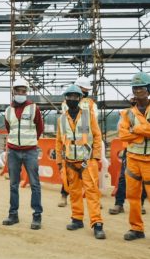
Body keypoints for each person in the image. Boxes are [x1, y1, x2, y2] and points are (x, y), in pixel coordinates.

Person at [55, 84, 106, 239]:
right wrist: (59, 161)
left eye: (75, 97)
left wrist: (96, 157)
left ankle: (97, 223)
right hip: (70, 162)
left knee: (92, 193)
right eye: (69, 97)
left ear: (80, 98)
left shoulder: (88, 116)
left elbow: (97, 136)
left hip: (87, 161)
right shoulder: (61, 119)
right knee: (74, 192)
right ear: (66, 99)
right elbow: (58, 141)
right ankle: (77, 219)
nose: (72, 99)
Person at [2, 78, 43, 230]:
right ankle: (13, 215)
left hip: (30, 151)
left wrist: (30, 142)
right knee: (13, 184)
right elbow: (9, 128)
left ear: (27, 92)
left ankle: (37, 216)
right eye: (18, 90)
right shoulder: (8, 110)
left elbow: (39, 128)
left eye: (23, 91)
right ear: (13, 92)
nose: (21, 93)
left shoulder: (34, 108)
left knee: (35, 184)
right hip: (13, 151)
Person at [118, 72, 150, 241]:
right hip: (133, 159)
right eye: (136, 88)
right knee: (133, 197)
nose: (138, 91)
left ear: (148, 89)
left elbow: (130, 132)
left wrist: (136, 130)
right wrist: (145, 132)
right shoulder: (127, 114)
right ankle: (136, 228)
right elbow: (123, 135)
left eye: (142, 88)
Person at [58, 76, 98, 207]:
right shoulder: (66, 103)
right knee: (69, 178)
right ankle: (64, 195)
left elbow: (94, 124)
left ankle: (95, 201)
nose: (86, 91)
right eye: (84, 88)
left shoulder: (91, 103)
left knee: (90, 180)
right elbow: (65, 120)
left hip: (86, 146)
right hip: (70, 146)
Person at [109, 94, 147, 216]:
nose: (134, 100)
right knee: (123, 178)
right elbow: (122, 133)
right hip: (130, 151)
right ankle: (119, 204)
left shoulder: (146, 112)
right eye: (132, 98)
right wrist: (142, 132)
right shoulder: (127, 114)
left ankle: (140, 204)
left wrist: (133, 129)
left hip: (147, 152)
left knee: (144, 180)